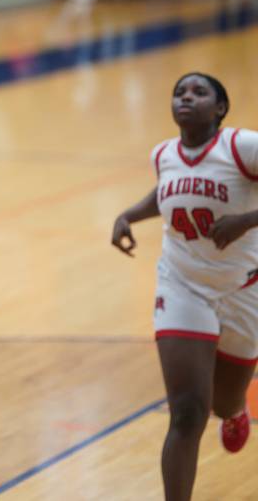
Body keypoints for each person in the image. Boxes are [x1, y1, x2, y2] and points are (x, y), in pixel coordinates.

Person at [111, 72, 258, 501]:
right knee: (188, 412)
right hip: (182, 286)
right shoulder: (164, 154)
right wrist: (129, 214)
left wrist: (245, 221)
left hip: (242, 288)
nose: (186, 98)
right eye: (179, 92)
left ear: (220, 109)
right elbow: (166, 193)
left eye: (199, 92)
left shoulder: (242, 148)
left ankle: (235, 412)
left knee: (221, 404)